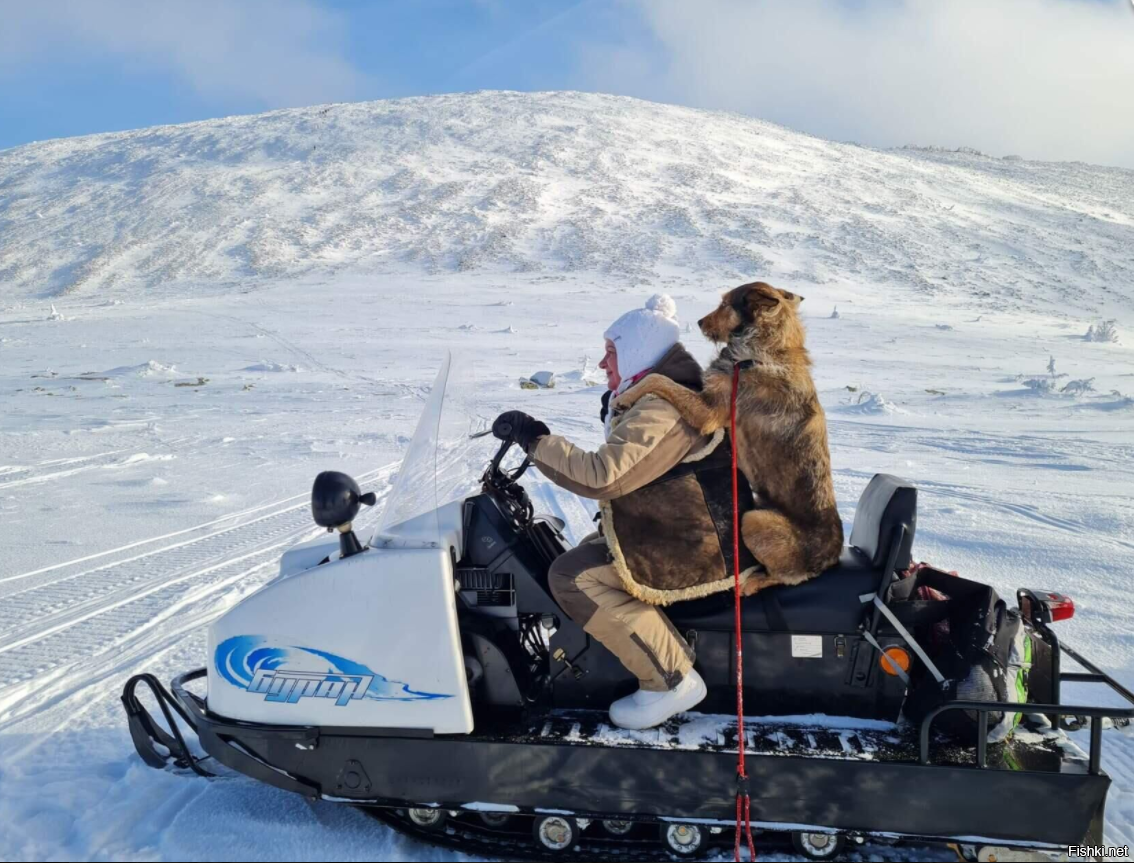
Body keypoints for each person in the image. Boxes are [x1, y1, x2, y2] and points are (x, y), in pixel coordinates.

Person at [492, 295, 756, 730]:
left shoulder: (664, 407)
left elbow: (603, 476)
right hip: (682, 528)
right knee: (579, 553)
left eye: (611, 352)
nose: (601, 363)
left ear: (638, 352)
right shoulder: (661, 392)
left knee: (571, 577)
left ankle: (670, 679)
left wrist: (535, 438)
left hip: (696, 544)